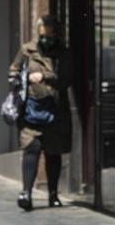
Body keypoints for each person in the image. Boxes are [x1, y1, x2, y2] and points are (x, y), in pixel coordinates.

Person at [9, 16, 71, 211]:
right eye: (43, 31)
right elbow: (14, 71)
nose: (46, 36)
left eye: (50, 31)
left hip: (55, 110)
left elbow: (66, 79)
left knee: (53, 151)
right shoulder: (27, 50)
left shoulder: (62, 53)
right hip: (31, 110)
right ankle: (26, 192)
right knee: (32, 147)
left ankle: (53, 194)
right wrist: (20, 81)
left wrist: (44, 76)